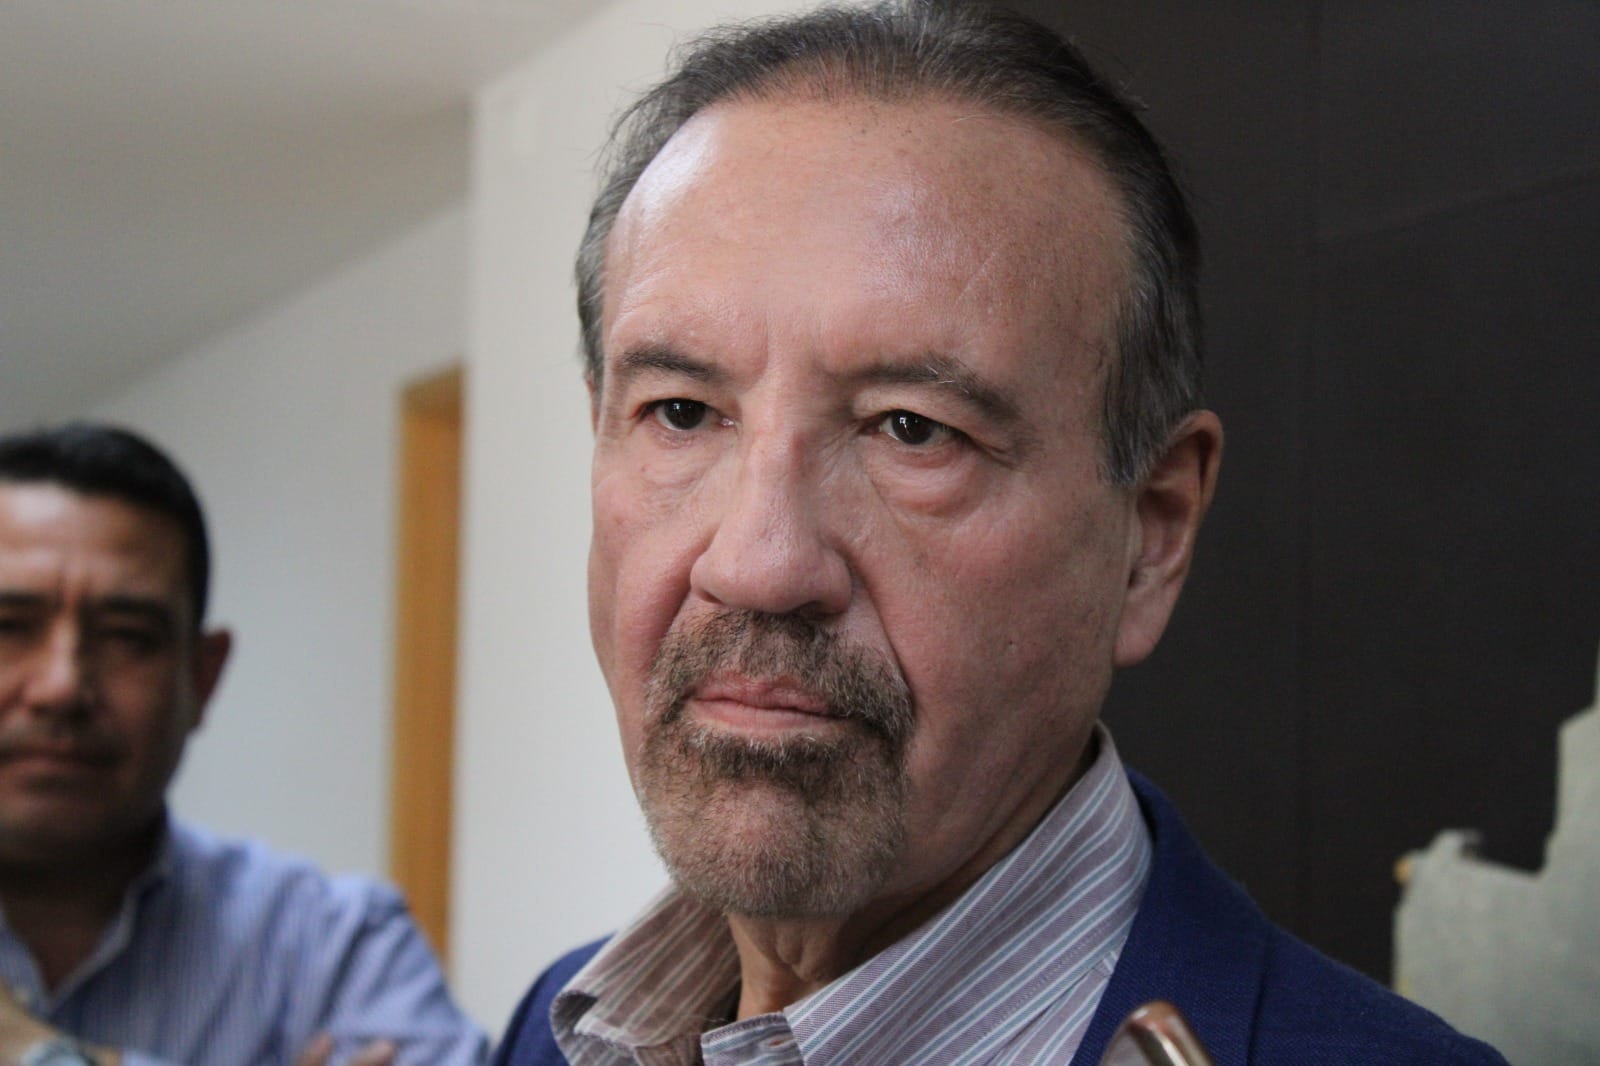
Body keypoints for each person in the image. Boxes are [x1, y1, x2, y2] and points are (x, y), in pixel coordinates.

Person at [495, 1, 1508, 1063]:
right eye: (681, 412)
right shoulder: (553, 1030)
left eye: (912, 429)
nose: (757, 564)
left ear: (1152, 534)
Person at [0, 423, 488, 1066]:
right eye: (8, 627)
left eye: (128, 637)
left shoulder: (339, 946)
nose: (62, 686)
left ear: (203, 677)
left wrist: (34, 1053)